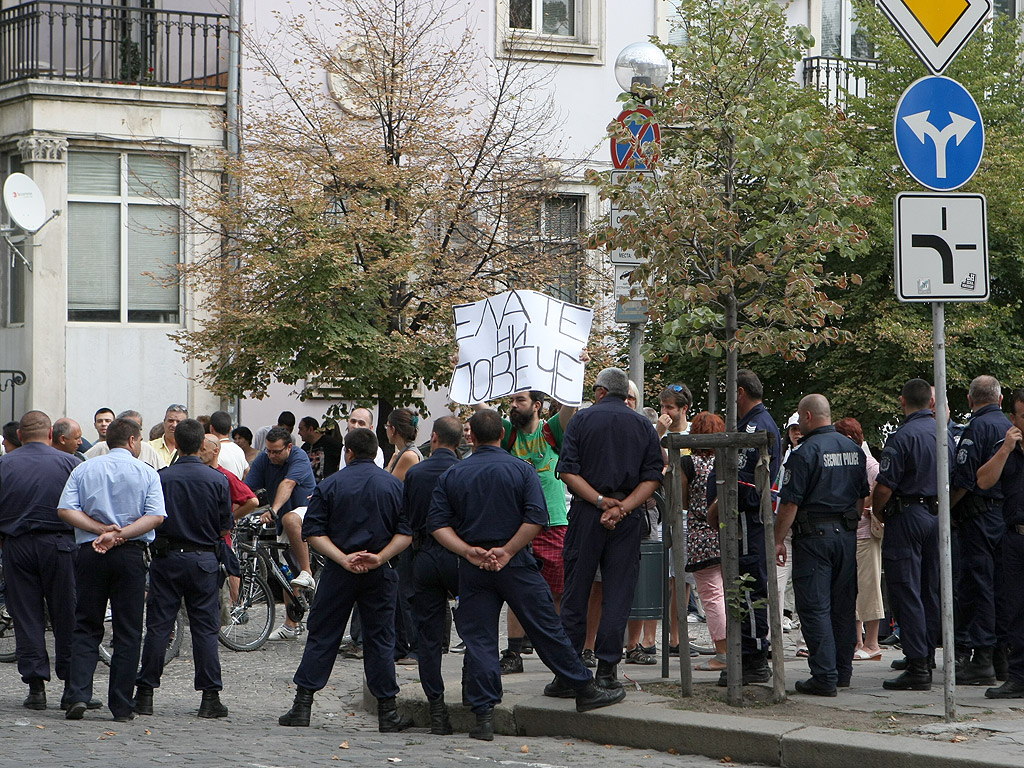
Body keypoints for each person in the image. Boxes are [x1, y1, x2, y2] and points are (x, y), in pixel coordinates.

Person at [429, 409, 625, 741]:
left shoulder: (454, 473)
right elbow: (537, 516)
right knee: (546, 627)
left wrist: (467, 551)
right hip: (517, 561)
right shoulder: (521, 469)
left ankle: (483, 715)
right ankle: (583, 688)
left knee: (479, 640)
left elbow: (438, 524)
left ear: (471, 437)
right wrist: (507, 550)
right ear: (502, 436)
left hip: (474, 565)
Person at [278, 428, 413, 730]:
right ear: (374, 452)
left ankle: (302, 705)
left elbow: (310, 531)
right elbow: (406, 532)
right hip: (379, 571)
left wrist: (342, 558)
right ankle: (387, 713)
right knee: (380, 638)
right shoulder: (393, 486)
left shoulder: (331, 484)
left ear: (348, 452)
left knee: (323, 634)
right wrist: (379, 557)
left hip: (340, 572)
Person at [557, 367, 664, 691]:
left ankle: (569, 673)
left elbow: (567, 472)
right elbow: (653, 477)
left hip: (587, 516)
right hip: (627, 519)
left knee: (576, 594)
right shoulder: (643, 425)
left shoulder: (582, 420)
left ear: (601, 391)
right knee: (618, 596)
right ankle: (607, 671)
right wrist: (623, 507)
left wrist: (601, 501)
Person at [57, 417, 166, 721]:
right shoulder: (146, 472)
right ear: (133, 441)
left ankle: (78, 694)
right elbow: (155, 516)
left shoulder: (84, 468)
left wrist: (100, 529)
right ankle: (121, 704)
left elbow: (65, 509)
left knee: (86, 624)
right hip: (129, 554)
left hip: (90, 552)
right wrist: (120, 534)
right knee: (128, 631)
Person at [133, 419, 232, 718]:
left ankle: (145, 692)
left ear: (176, 442)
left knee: (159, 626)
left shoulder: (161, 477)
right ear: (202, 444)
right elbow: (224, 524)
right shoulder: (217, 480)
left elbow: (150, 515)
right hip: (203, 559)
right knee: (205, 628)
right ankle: (210, 696)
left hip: (167, 558)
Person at [775, 394, 868, 697]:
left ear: (808, 417)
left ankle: (824, 676)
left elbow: (790, 503)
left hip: (814, 538)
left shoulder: (804, 453)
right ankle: (842, 672)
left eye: (801, 418)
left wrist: (777, 539)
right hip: (846, 535)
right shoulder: (853, 450)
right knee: (843, 607)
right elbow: (861, 495)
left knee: (815, 607)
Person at [0, 411, 84, 711]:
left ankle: (36, 686)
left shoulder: (4, 464)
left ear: (19, 436)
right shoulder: (71, 463)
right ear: (51, 434)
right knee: (67, 614)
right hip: (61, 544)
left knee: (26, 615)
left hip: (16, 545)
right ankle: (72, 686)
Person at [708, 369, 782, 686]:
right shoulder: (749, 424)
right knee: (741, 587)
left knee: (749, 587)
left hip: (746, 519)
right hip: (739, 519)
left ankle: (753, 659)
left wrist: (719, 502)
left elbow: (749, 483)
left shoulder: (756, 427)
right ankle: (748, 654)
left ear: (739, 392)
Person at [870, 379, 941, 690]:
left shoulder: (902, 436)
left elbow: (884, 486)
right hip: (936, 515)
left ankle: (917, 665)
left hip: (907, 516)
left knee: (905, 589)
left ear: (902, 401)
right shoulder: (943, 434)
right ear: (930, 401)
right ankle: (926, 655)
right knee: (930, 589)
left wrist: (877, 510)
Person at [951, 375, 1013, 685]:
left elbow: (965, 480)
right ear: (1000, 400)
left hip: (979, 517)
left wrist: (947, 508)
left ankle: (983, 658)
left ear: (970, 399)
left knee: (978, 587)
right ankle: (1001, 658)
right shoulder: (1010, 426)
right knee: (1001, 588)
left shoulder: (976, 428)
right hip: (1005, 517)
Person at [404, 415, 463, 734]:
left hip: (425, 554)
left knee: (427, 637)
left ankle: (437, 708)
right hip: (461, 555)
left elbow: (409, 516)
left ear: (435, 438)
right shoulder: (464, 470)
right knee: (476, 629)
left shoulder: (416, 472)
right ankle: (477, 704)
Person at [245, 426, 317, 639]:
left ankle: (308, 572)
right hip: (282, 517)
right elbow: (248, 490)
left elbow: (288, 484)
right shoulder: (264, 459)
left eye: (277, 451)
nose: (272, 455)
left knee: (290, 518)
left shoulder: (299, 457)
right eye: (269, 451)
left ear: (289, 447)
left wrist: (273, 510)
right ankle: (290, 625)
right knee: (284, 571)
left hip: (307, 512)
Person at [977, 389, 1024, 698]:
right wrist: (1006, 448)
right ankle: (1018, 676)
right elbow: (982, 480)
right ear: (1013, 419)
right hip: (1015, 537)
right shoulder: (1006, 448)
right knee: (1015, 610)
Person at [834, 416, 884, 664]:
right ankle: (857, 642)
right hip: (852, 534)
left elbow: (882, 485)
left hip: (866, 533)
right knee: (853, 590)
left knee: (869, 588)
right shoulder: (853, 460)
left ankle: (872, 643)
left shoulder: (869, 463)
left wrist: (867, 506)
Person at [682, 412, 729, 671]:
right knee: (730, 593)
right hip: (728, 534)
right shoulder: (727, 459)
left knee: (711, 597)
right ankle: (736, 648)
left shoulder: (689, 463)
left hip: (701, 535)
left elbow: (682, 500)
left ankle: (722, 653)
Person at [85, 410, 166, 470]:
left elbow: (163, 472)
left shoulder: (147, 448)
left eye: (137, 428)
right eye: (128, 428)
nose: (133, 432)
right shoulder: (101, 447)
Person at [298, 416, 342, 483]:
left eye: (301, 429)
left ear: (310, 429)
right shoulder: (304, 448)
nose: (299, 433)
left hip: (328, 486)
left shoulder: (331, 443)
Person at [209, 410, 248, 481]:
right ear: (230, 429)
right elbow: (247, 473)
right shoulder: (239, 450)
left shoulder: (213, 451)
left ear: (211, 428)